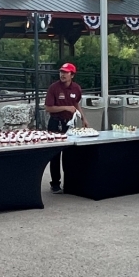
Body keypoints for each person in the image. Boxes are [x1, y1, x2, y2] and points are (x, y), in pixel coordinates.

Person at [44, 62, 89, 194]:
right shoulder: (54, 88)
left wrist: (83, 118)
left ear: (72, 75)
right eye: (61, 72)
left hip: (70, 123)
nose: (62, 75)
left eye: (66, 72)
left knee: (70, 154)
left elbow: (75, 104)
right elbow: (48, 108)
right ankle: (55, 184)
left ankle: (70, 182)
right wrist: (65, 107)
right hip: (55, 122)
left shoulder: (76, 88)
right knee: (55, 154)